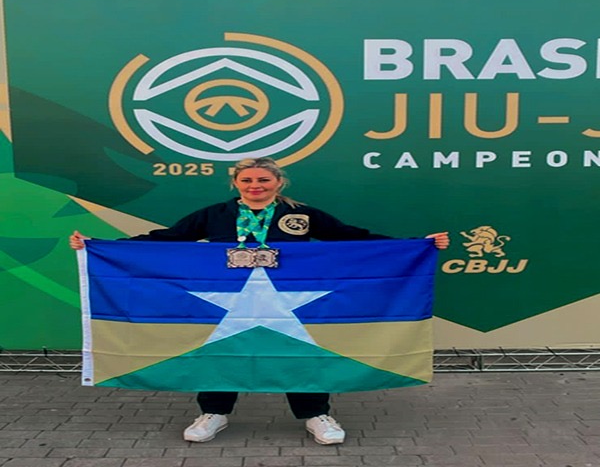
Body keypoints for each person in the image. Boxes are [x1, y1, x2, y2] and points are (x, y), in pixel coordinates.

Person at [70, 157, 449, 445]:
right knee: (221, 351)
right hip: (226, 300)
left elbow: (350, 236)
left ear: (278, 182)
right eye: (247, 180)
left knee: (299, 353)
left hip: (288, 301)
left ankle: (316, 414)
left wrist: (416, 245)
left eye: (263, 180)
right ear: (235, 183)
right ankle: (214, 413)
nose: (255, 185)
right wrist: (100, 247)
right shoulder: (215, 215)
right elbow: (169, 238)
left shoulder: (300, 214)